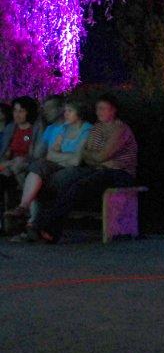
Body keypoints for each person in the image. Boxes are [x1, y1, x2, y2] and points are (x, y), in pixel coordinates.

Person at [27, 94, 138, 243]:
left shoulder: (120, 129)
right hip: (98, 169)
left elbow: (102, 155)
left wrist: (96, 158)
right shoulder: (97, 128)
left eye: (103, 109)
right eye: (97, 109)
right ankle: (42, 225)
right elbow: (86, 155)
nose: (99, 112)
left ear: (113, 110)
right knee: (66, 182)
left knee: (79, 186)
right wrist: (97, 158)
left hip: (120, 173)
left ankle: (48, 228)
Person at [4, 99, 93, 224]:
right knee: (31, 167)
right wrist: (66, 157)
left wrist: (59, 156)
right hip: (52, 164)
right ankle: (24, 209)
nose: (66, 114)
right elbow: (50, 154)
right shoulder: (62, 128)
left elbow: (76, 160)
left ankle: (32, 217)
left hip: (69, 167)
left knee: (28, 169)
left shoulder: (87, 130)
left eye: (69, 111)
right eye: (65, 111)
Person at [0, 97, 43, 188]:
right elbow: (5, 151)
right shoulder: (10, 128)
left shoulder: (36, 129)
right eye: (15, 111)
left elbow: (37, 154)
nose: (17, 114)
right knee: (5, 171)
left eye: (21, 111)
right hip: (9, 163)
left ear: (29, 112)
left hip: (26, 162)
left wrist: (17, 161)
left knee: (17, 166)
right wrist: (7, 161)